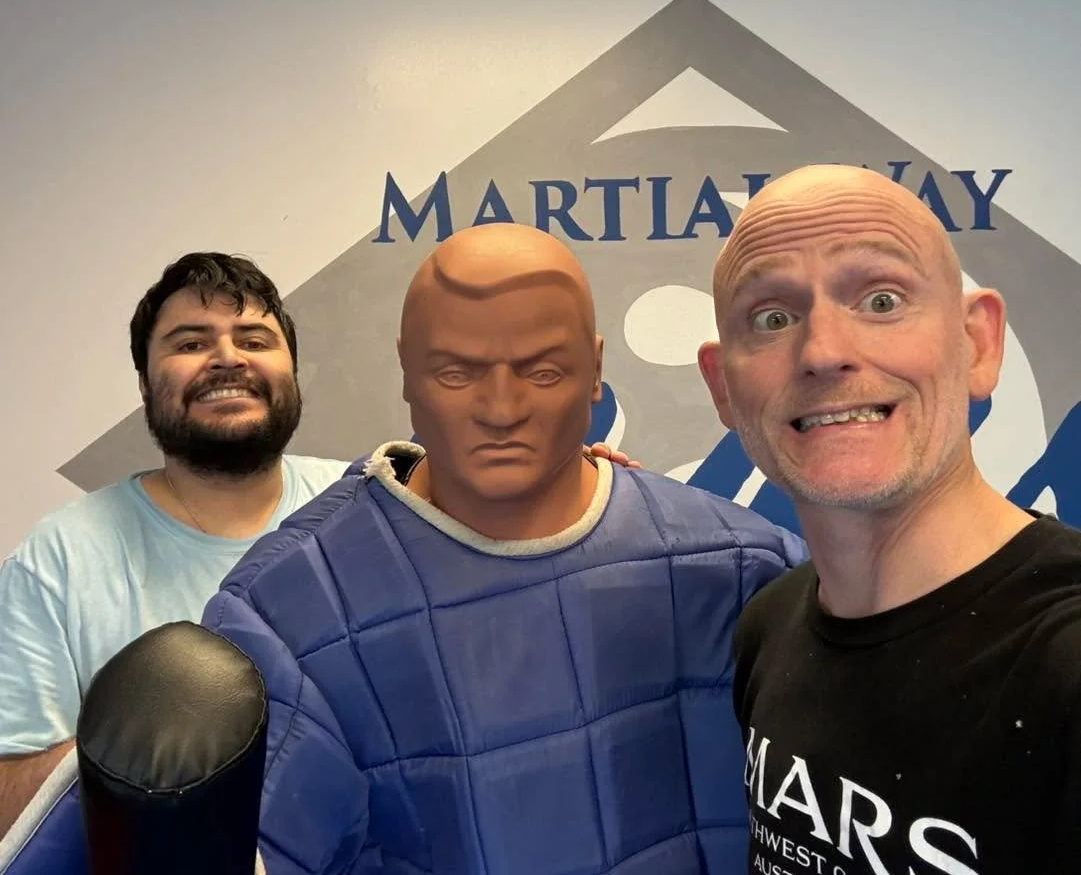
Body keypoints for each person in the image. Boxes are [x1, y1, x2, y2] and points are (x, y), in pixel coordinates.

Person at [200, 222, 804, 874]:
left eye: (541, 371)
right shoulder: (285, 612)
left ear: (595, 369)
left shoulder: (746, 570)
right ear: (407, 370)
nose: (501, 408)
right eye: (457, 372)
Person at [698, 164, 1081, 874]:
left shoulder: (1064, 660)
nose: (823, 352)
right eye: (772, 318)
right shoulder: (768, 626)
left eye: (881, 300)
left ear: (978, 344)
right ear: (723, 387)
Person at [0, 253, 350, 837]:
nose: (228, 358)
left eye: (254, 339)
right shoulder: (60, 557)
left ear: (291, 370)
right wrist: (124, 761)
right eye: (190, 343)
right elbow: (6, 805)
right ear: (145, 384)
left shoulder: (366, 509)